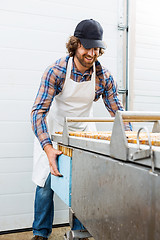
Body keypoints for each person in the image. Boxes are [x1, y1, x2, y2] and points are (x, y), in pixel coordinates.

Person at [31, 19, 131, 240]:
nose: (92, 53)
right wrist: (48, 148)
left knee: (83, 182)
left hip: (83, 130)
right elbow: (38, 112)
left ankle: (80, 232)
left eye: (96, 48)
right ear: (75, 44)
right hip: (55, 131)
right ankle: (40, 234)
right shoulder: (56, 71)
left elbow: (118, 113)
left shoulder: (103, 76)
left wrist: (130, 140)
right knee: (46, 182)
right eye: (87, 46)